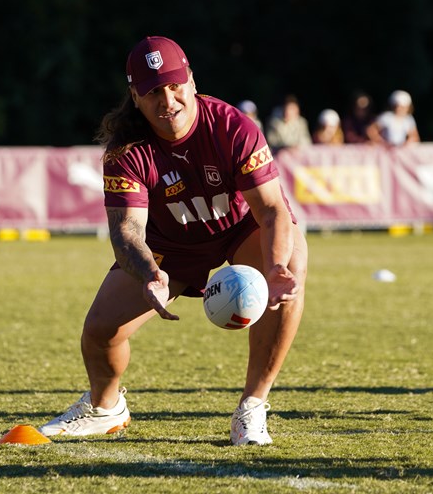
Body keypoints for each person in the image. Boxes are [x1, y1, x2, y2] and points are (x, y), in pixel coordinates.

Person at [38, 36, 307, 446]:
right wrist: (150, 273)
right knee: (100, 331)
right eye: (152, 91)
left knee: (289, 278)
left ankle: (252, 407)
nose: (167, 100)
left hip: (240, 228)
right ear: (135, 96)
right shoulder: (126, 151)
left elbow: (271, 211)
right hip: (172, 245)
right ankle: (105, 407)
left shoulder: (233, 126)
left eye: (174, 85)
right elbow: (127, 231)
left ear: (192, 81)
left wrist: (274, 269)